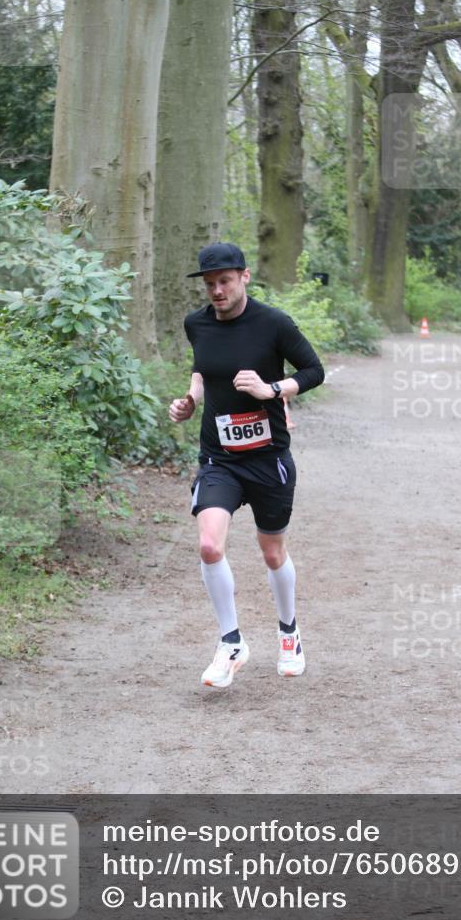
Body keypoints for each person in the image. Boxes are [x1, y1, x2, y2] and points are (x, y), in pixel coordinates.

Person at [169, 242, 324, 688]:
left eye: (225, 282)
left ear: (244, 277)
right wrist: (190, 401)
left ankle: (289, 632)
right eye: (210, 284)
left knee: (273, 552)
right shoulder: (196, 323)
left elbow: (314, 371)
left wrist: (272, 389)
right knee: (210, 546)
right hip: (219, 457)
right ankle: (231, 641)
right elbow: (203, 370)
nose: (217, 291)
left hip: (268, 458)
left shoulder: (273, 323)